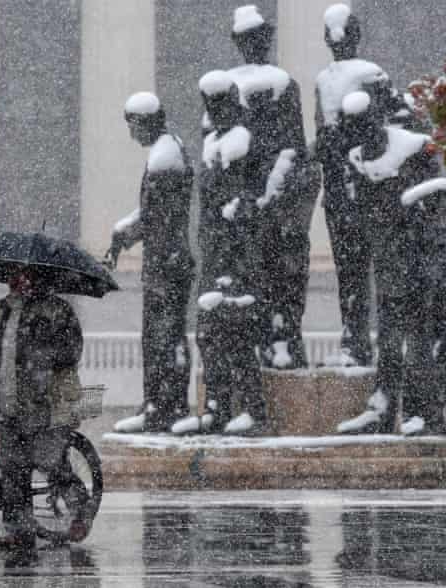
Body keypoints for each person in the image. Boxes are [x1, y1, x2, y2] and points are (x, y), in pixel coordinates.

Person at [335, 91, 446, 436]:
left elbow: (440, 196)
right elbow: (360, 214)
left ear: (378, 120)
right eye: (356, 131)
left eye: (367, 127)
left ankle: (425, 412)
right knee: (390, 339)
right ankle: (384, 408)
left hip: (424, 259)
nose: (364, 137)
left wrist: (414, 209)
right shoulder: (357, 160)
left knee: (430, 337)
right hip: (391, 262)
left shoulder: (415, 147)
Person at [0, 267, 87, 550]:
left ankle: (80, 512)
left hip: (43, 402)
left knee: (52, 464)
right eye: (13, 276)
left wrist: (43, 358)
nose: (16, 281)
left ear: (38, 278)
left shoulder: (56, 310)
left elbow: (72, 350)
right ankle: (21, 532)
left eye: (23, 276)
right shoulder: (5, 311)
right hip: (7, 402)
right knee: (13, 472)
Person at [315, 4, 420, 368]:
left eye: (343, 32)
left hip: (366, 187)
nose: (339, 39)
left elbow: (399, 121)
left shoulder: (371, 74)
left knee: (373, 269)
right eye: (334, 33)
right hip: (340, 189)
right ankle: (354, 340)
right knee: (351, 271)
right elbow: (324, 133)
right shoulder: (324, 79)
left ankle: (378, 343)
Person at [170, 72, 268, 436]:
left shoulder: (246, 142)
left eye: (221, 103)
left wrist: (239, 219)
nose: (217, 110)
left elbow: (253, 199)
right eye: (211, 104)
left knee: (237, 333)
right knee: (208, 335)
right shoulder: (213, 142)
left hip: (237, 253)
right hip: (213, 249)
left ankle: (254, 409)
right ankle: (217, 405)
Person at [227, 4, 314, 370]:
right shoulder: (232, 85)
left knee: (284, 276)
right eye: (248, 39)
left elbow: (294, 145)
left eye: (258, 38)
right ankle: (269, 340)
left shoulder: (280, 85)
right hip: (250, 200)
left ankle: (284, 339)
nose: (254, 45)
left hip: (274, 200)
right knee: (260, 277)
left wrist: (271, 192)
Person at [108, 92, 195, 434]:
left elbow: (155, 217)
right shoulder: (168, 150)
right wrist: (124, 233)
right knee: (164, 337)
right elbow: (153, 215)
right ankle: (163, 404)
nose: (132, 135)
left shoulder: (164, 158)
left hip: (166, 264)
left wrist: (123, 236)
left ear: (144, 121)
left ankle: (162, 406)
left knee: (162, 338)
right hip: (168, 261)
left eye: (132, 126)